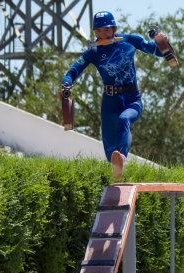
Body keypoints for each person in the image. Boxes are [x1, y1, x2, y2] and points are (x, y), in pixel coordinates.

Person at [61, 11, 169, 179]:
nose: (101, 34)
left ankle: (123, 159)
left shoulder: (130, 41)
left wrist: (161, 42)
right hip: (109, 103)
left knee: (124, 120)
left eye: (105, 30)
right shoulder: (93, 52)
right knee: (110, 148)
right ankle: (116, 173)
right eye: (97, 31)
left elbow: (158, 52)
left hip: (132, 100)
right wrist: (66, 83)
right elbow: (73, 71)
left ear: (114, 29)